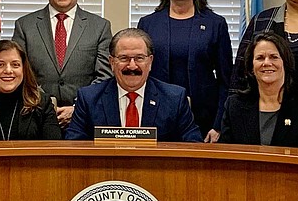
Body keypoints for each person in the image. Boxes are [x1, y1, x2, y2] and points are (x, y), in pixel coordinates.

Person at [137, 0, 232, 143]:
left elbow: (226, 80)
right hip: (156, 116)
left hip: (204, 120)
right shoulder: (148, 24)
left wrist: (218, 124)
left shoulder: (215, 24)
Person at [12, 0, 112, 129]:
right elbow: (20, 72)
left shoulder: (100, 26)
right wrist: (45, 106)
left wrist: (77, 108)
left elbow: (104, 76)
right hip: (36, 118)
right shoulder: (24, 25)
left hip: (83, 120)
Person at [65, 28, 202, 142]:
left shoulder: (174, 98)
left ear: (150, 62)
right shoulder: (89, 98)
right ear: (112, 62)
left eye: (139, 58)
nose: (132, 66)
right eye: (124, 58)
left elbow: (193, 144)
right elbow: (74, 145)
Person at [220, 31, 298, 148]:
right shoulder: (234, 105)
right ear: (251, 67)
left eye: (274, 57)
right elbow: (226, 155)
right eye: (260, 58)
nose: (267, 63)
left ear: (285, 63)